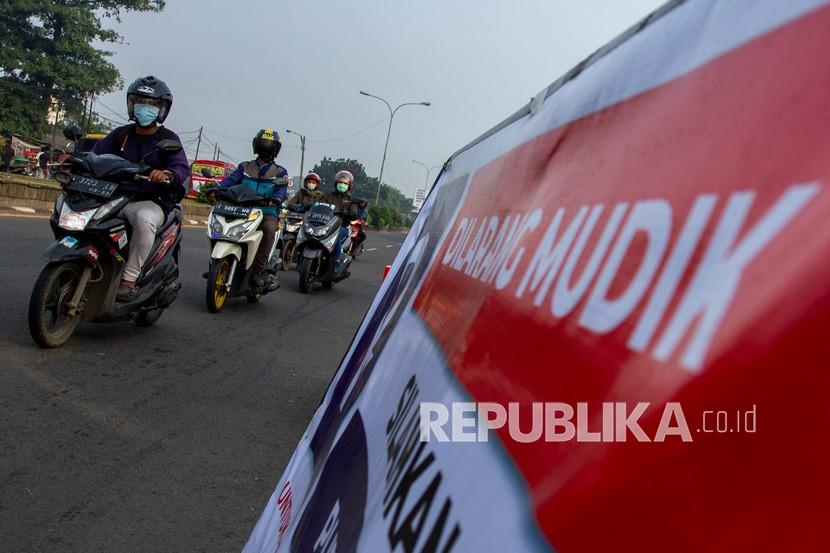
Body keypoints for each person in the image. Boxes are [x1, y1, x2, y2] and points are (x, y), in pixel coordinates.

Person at [92, 75, 190, 301]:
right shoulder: (122, 135)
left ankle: (129, 279)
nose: (145, 108)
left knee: (145, 220)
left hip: (150, 200)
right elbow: (96, 154)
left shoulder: (168, 139)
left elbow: (180, 168)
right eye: (140, 101)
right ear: (131, 104)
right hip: (116, 197)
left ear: (162, 110)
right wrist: (77, 160)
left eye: (152, 104)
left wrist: (166, 174)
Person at [219, 128, 289, 288]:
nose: (265, 146)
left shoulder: (279, 172)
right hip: (242, 210)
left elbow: (282, 189)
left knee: (269, 229)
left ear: (275, 149)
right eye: (263, 143)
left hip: (266, 212)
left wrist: (277, 199)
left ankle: (259, 271)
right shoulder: (244, 167)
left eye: (269, 144)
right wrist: (218, 188)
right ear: (256, 145)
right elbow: (230, 181)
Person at [323, 170, 361, 272]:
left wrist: (348, 213)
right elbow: (317, 204)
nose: (342, 185)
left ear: (349, 186)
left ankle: (337, 261)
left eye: (345, 183)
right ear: (336, 183)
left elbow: (354, 213)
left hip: (342, 227)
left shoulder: (351, 200)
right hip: (325, 225)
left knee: (335, 236)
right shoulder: (327, 196)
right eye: (340, 182)